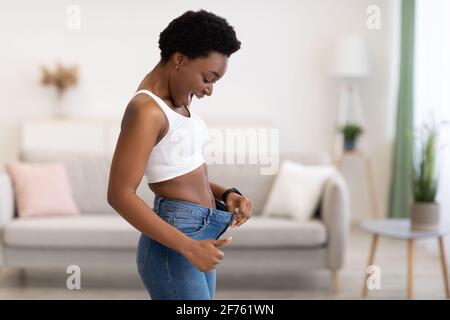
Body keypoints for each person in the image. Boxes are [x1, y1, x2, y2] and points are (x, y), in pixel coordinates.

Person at [107, 9, 254, 300]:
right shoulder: (147, 110)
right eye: (208, 78)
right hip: (178, 240)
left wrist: (227, 194)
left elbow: (180, 170)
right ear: (179, 59)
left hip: (200, 234)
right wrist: (188, 246)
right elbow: (119, 194)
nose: (209, 91)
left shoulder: (176, 103)